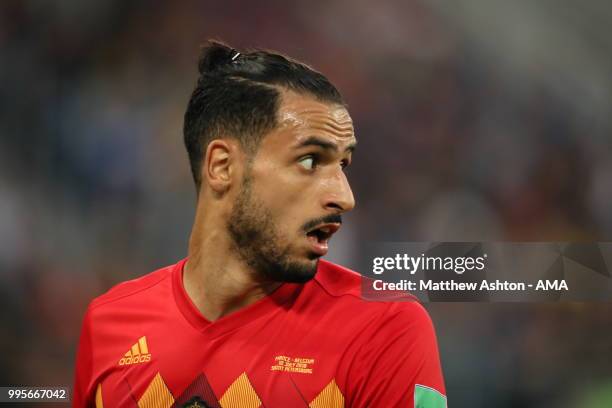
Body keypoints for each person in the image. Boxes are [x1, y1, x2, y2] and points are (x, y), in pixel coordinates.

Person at [73, 40, 446, 408]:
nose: (344, 197)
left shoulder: (384, 332)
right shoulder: (109, 325)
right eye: (310, 161)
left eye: (343, 165)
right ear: (222, 167)